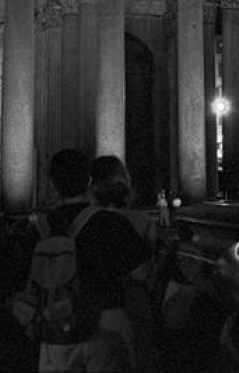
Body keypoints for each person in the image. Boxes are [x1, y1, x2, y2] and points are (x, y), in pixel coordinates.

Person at [12, 149, 150, 373]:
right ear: (88, 181)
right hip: (106, 326)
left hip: (56, 330)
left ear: (53, 184)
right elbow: (142, 272)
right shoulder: (110, 222)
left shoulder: (37, 230)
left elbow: (19, 279)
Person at [89, 155, 159, 373]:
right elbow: (143, 272)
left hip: (92, 303)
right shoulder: (142, 221)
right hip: (131, 301)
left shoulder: (84, 220)